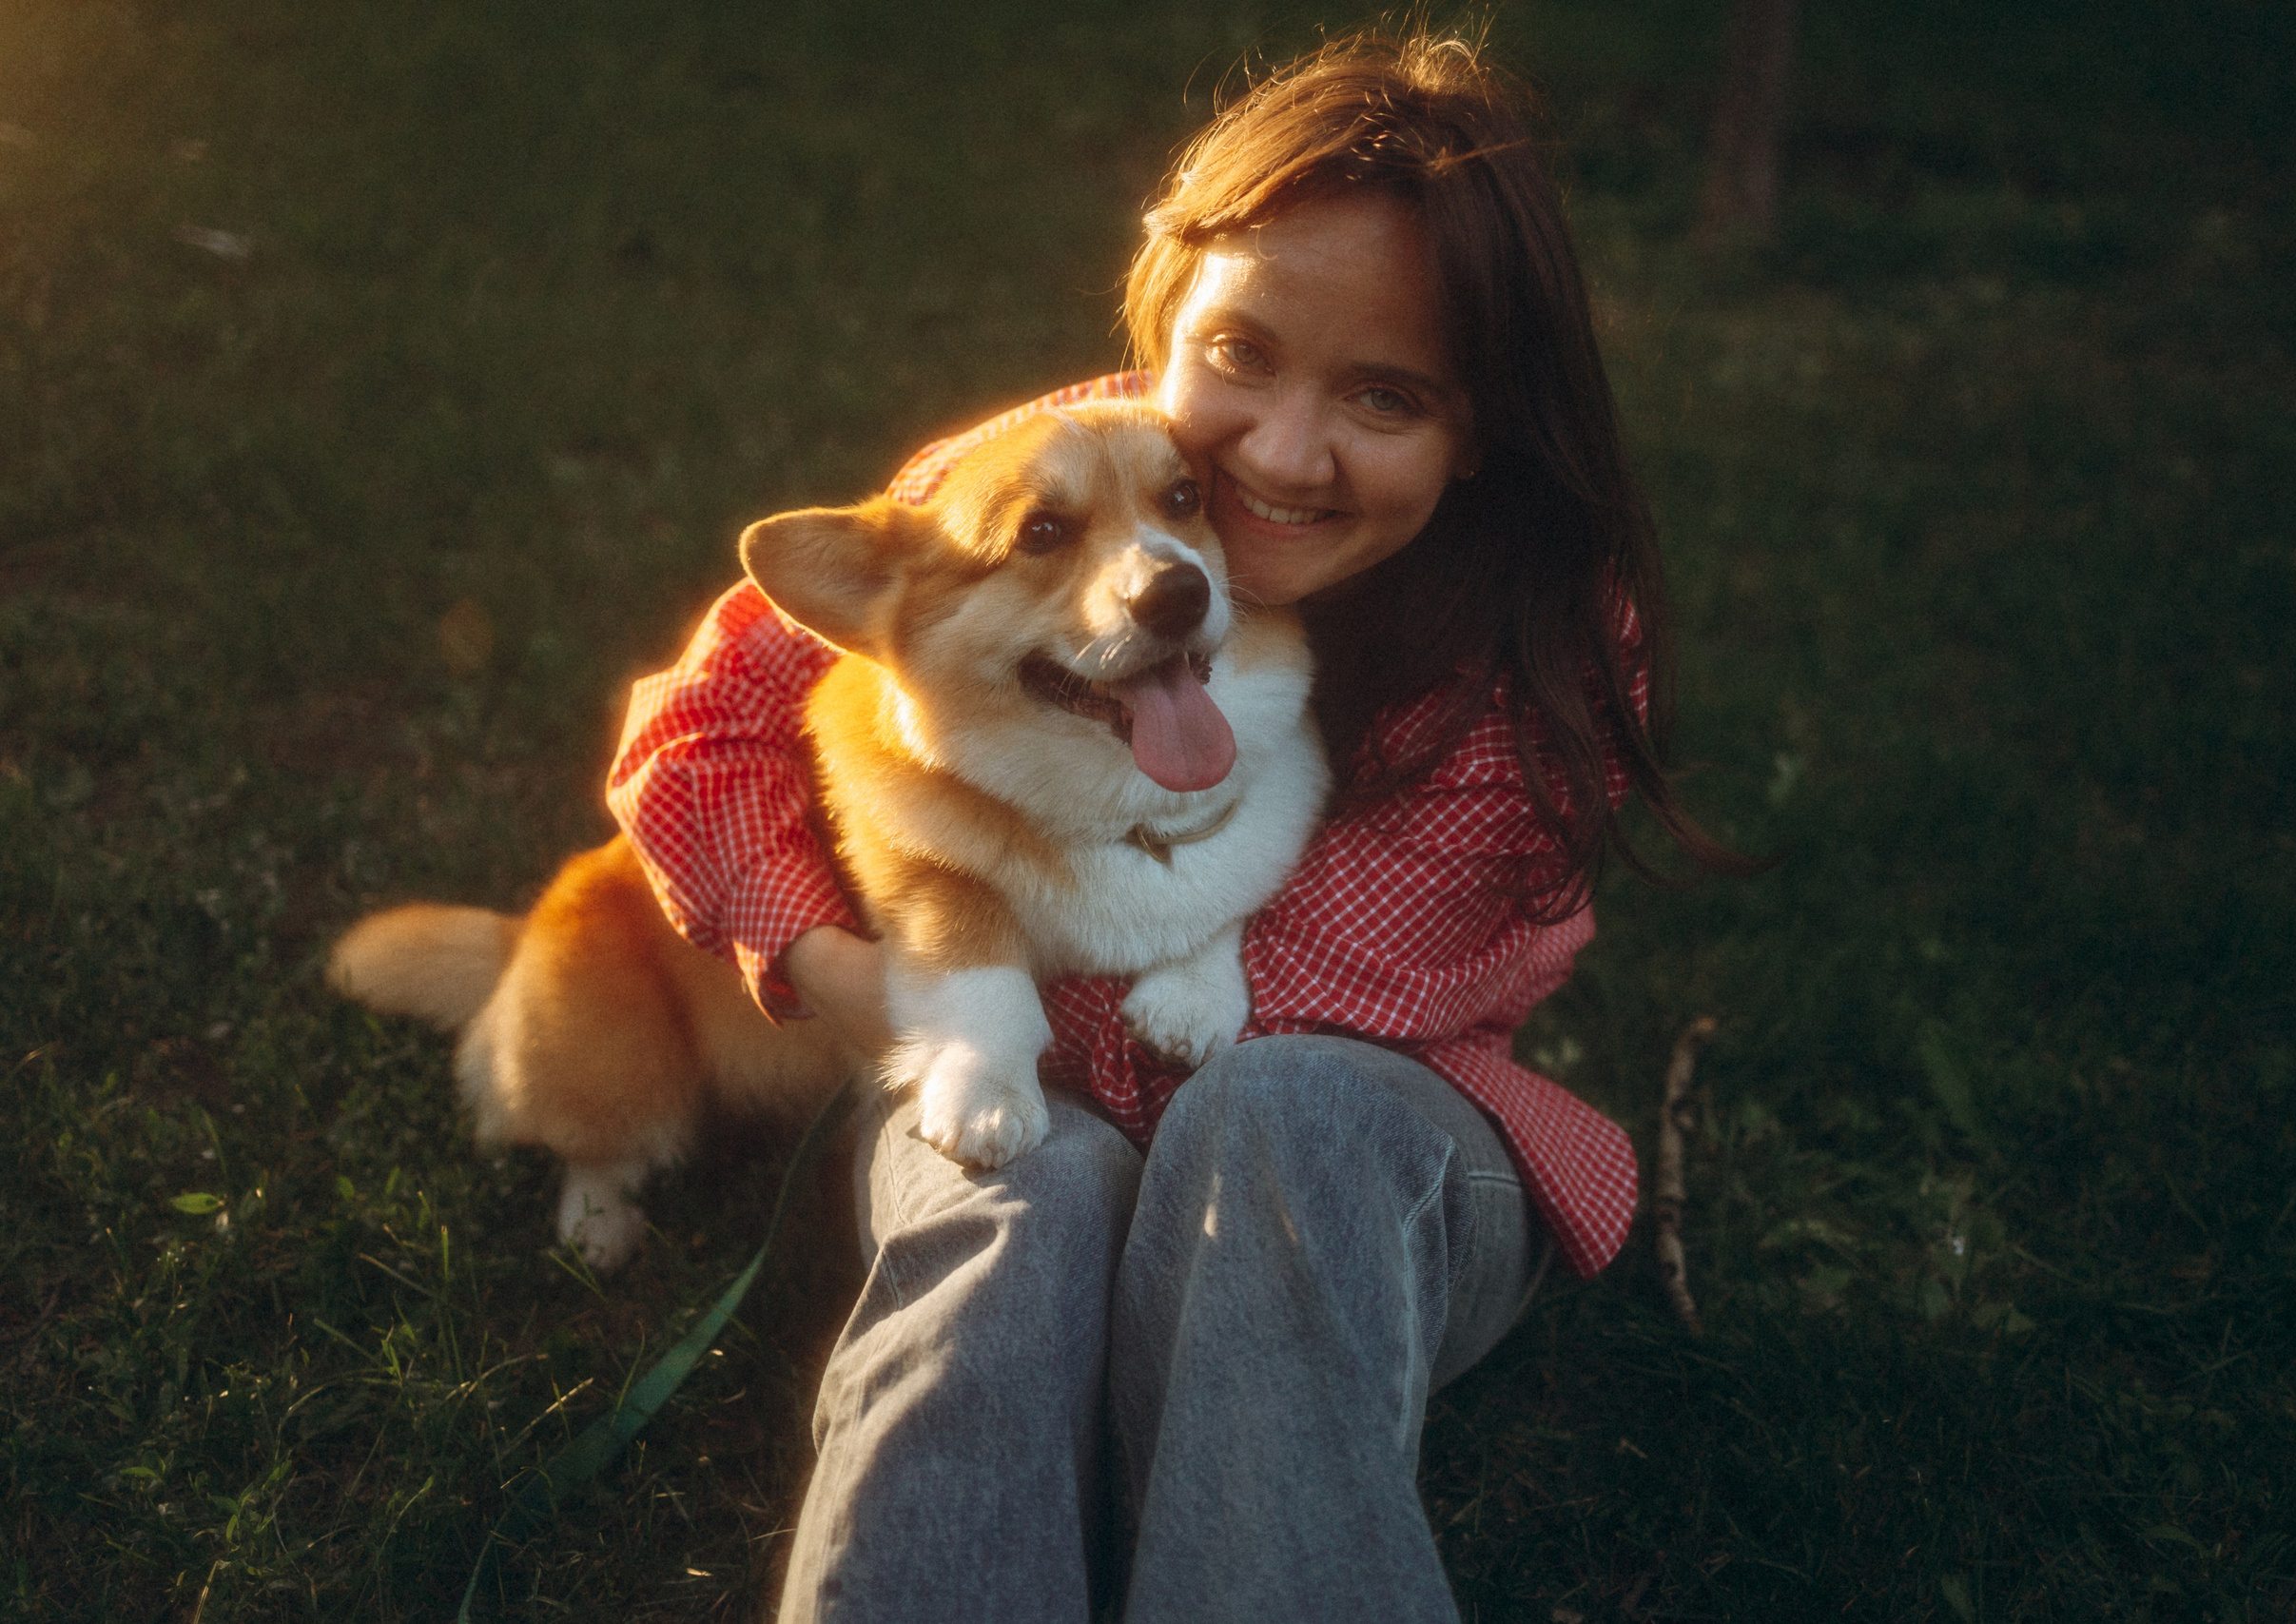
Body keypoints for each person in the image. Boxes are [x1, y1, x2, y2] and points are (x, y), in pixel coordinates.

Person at [607, 29, 1744, 1622]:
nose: (1278, 455)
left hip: (1367, 1138)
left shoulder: (1546, 642)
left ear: (1478, 425)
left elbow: (1212, 1044)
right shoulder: (1014, 481)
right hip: (1035, 1096)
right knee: (1020, 1183)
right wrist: (857, 982)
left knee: (1268, 1116)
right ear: (1165, 320)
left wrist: (959, 963)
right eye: (1244, 356)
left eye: (1388, 396)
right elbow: (696, 736)